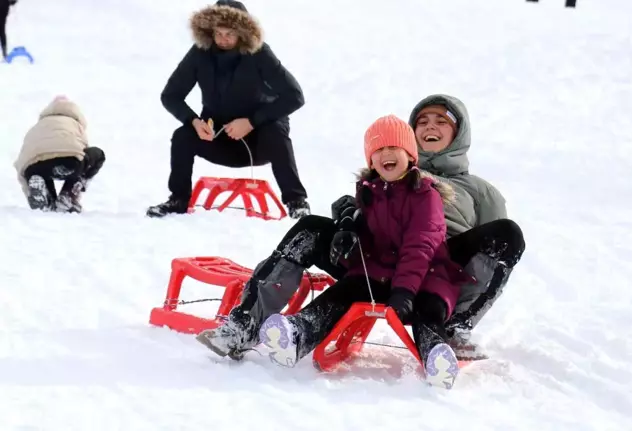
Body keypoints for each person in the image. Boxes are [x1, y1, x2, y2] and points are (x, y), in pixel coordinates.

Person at [196, 94, 525, 361]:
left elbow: (487, 257)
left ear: (459, 133)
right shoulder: (386, 168)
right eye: (422, 121)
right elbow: (371, 207)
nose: (430, 126)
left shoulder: (480, 191)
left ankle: (453, 328)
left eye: (441, 121)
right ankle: (245, 325)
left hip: (434, 270)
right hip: (376, 261)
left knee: (508, 234)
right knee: (311, 226)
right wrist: (348, 218)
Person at [256, 115, 468, 388]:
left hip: (425, 276)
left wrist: (403, 292)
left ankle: (435, 355)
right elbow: (363, 233)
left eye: (394, 148)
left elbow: (420, 246)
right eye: (378, 150)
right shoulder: (369, 194)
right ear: (370, 161)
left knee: (428, 309)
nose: (386, 154)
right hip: (379, 272)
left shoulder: (425, 196)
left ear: (411, 156)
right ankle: (299, 332)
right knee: (345, 290)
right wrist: (347, 239)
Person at [147, 0, 311, 219]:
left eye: (230, 34)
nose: (224, 39)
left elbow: (295, 96)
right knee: (182, 136)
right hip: (218, 138)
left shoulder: (260, 53)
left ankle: (296, 201)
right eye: (219, 33)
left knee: (276, 133)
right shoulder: (199, 53)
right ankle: (178, 200)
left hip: (258, 142)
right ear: (210, 31)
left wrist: (252, 122)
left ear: (243, 32)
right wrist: (194, 121)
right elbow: (170, 95)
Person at [13, 95, 106, 213]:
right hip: (68, 163)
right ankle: (68, 197)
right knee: (96, 155)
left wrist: (29, 190)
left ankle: (46, 198)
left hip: (34, 168)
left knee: (40, 168)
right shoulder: (75, 124)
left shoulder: (37, 127)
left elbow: (22, 161)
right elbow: (82, 152)